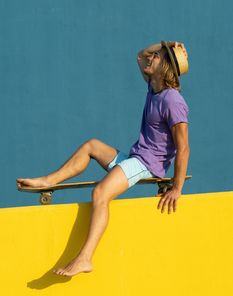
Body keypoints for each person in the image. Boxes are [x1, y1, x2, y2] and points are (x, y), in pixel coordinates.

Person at [16, 40, 190, 277]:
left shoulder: (172, 100)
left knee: (100, 193)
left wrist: (176, 188)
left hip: (148, 165)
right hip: (137, 157)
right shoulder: (153, 86)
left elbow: (184, 148)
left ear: (167, 67)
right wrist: (163, 44)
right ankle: (48, 181)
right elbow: (140, 55)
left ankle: (85, 259)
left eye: (157, 57)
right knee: (92, 146)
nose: (151, 59)